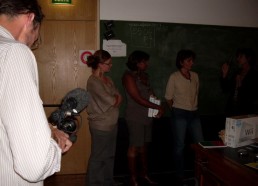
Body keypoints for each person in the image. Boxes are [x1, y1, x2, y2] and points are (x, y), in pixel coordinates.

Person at [0, 0, 73, 186]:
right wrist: (55, 146)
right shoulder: (14, 52)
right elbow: (34, 166)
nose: (32, 43)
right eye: (35, 36)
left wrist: (49, 129)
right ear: (30, 18)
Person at [122, 50, 164, 186]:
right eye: (144, 61)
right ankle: (133, 179)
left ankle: (144, 175)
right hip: (135, 116)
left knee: (144, 147)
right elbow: (137, 98)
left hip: (147, 116)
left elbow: (150, 94)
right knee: (134, 147)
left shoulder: (145, 76)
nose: (147, 64)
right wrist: (158, 107)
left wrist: (156, 103)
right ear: (137, 63)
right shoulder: (128, 76)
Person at [164, 49, 203, 184]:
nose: (191, 63)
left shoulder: (196, 76)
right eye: (188, 60)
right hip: (179, 113)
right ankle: (180, 176)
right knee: (180, 145)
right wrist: (175, 111)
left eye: (192, 60)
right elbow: (168, 98)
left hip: (194, 113)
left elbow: (196, 93)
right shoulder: (174, 77)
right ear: (181, 62)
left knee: (200, 144)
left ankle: (200, 173)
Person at [86, 49, 123, 186]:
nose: (111, 66)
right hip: (100, 125)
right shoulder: (93, 82)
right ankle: (94, 183)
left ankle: (108, 181)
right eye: (108, 63)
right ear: (100, 64)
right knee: (98, 157)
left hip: (112, 123)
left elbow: (119, 96)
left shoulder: (109, 79)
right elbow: (113, 100)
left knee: (109, 156)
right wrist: (116, 99)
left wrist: (116, 99)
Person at [220, 47, 258, 117]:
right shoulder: (237, 73)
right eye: (237, 57)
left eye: (240, 57)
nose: (237, 59)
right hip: (231, 111)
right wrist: (224, 75)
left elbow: (252, 96)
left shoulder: (254, 75)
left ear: (248, 58)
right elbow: (225, 88)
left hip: (245, 113)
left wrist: (240, 85)